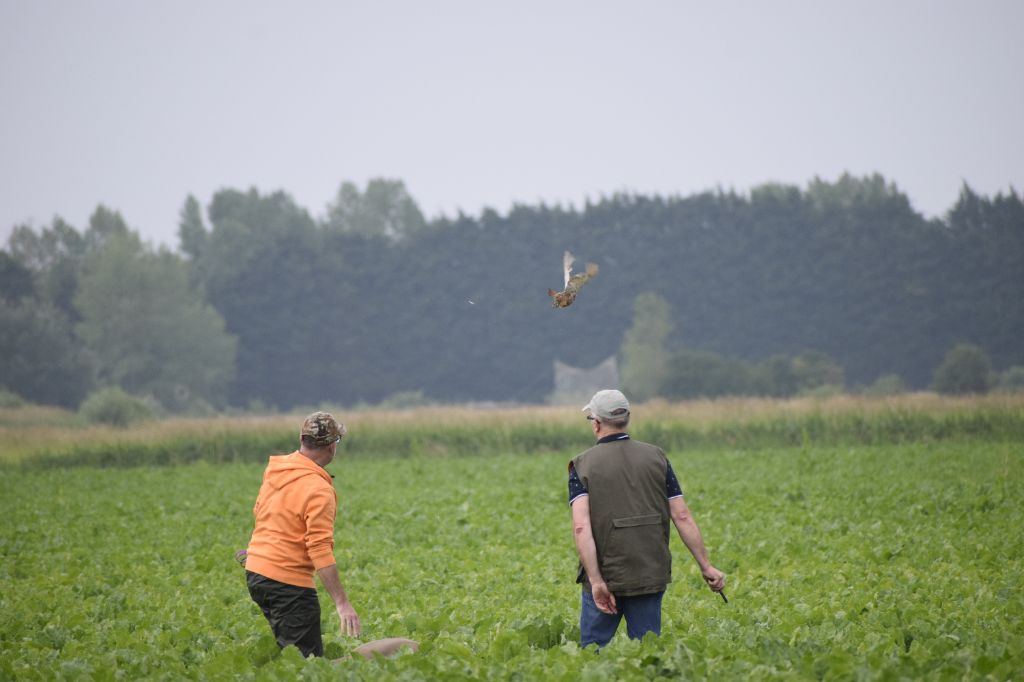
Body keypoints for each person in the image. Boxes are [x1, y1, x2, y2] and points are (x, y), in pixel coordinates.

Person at [568, 389, 725, 648]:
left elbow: (581, 526)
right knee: (648, 653)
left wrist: (596, 581)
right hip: (649, 570)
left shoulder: (582, 465)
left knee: (591, 655)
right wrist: (706, 566)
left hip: (607, 574)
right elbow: (682, 515)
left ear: (596, 423)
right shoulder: (657, 457)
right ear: (626, 419)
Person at [243, 411, 361, 658]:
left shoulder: (276, 470)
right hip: (289, 585)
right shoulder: (319, 490)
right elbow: (319, 548)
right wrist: (342, 603)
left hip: (257, 576)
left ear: (302, 439)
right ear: (331, 446)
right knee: (307, 667)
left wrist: (260, 557)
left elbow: (262, 513)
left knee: (290, 656)